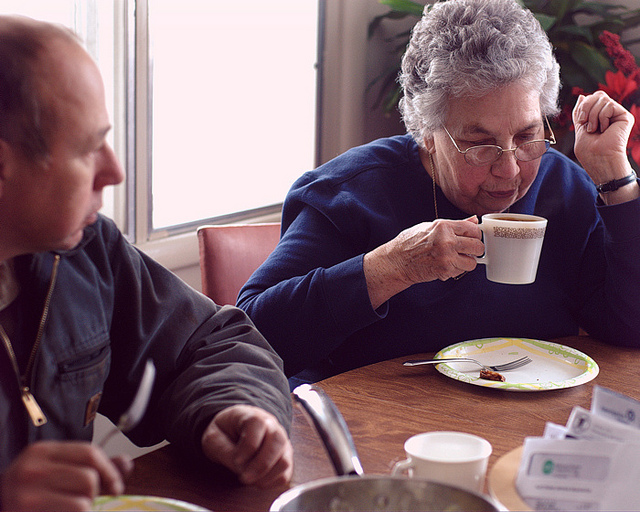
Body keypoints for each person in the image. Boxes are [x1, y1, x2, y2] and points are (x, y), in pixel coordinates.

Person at [237, 0, 640, 386]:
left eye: (528, 135)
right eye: (480, 143)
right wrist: (391, 268)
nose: (510, 168)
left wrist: (615, 179)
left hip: (524, 429)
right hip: (376, 426)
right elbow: (248, 341)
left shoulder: (565, 188)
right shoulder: (350, 194)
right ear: (427, 134)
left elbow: (630, 326)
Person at [0, 15, 293, 511]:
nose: (114, 171)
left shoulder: (84, 251)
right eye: (89, 148)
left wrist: (230, 408)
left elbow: (213, 343)